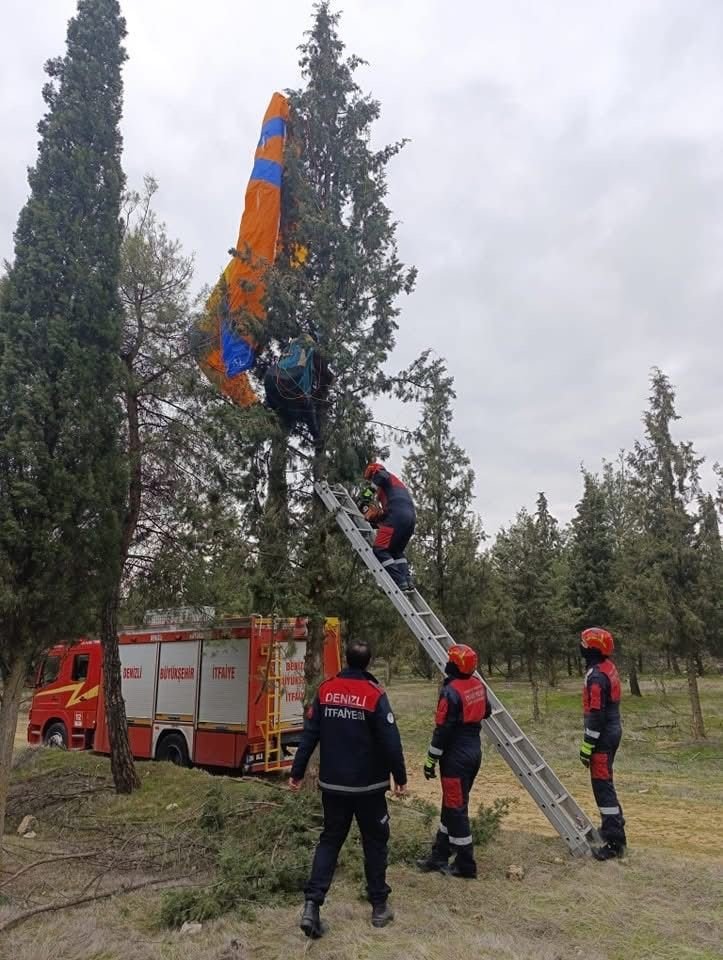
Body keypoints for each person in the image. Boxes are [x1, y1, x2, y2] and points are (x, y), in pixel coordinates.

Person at [289, 640, 408, 938]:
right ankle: (379, 907)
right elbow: (390, 741)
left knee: (329, 841)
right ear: (368, 663)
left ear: (347, 660)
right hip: (369, 789)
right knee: (375, 843)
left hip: (333, 787)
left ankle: (312, 906)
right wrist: (400, 778)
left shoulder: (326, 690)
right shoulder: (375, 694)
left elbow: (309, 735)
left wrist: (297, 773)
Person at [417, 643, 490, 879]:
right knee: (451, 804)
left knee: (456, 810)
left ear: (454, 665)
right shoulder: (478, 685)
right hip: (473, 752)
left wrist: (430, 759)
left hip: (455, 758)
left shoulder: (450, 692)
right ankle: (439, 855)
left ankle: (465, 865)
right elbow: (486, 711)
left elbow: (442, 730)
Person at [578, 626, 627, 861]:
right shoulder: (607, 668)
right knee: (606, 782)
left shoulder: (596, 677)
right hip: (612, 729)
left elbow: (596, 714)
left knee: (602, 787)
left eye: (585, 645)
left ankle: (614, 841)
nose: (582, 648)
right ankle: (614, 825)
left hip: (603, 735)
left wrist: (587, 745)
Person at [264, 332, 334, 441]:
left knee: (281, 406)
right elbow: (323, 371)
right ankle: (317, 438)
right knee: (308, 405)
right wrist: (330, 378)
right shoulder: (310, 348)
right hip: (292, 379)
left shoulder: (291, 345)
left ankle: (266, 408)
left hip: (272, 375)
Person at [362, 462, 416, 590]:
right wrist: (376, 519)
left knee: (379, 549)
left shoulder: (383, 475)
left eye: (371, 478)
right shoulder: (394, 487)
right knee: (396, 551)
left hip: (397, 516)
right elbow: (391, 510)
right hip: (410, 518)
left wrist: (366, 496)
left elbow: (381, 474)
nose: (371, 481)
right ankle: (407, 579)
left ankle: (399, 580)